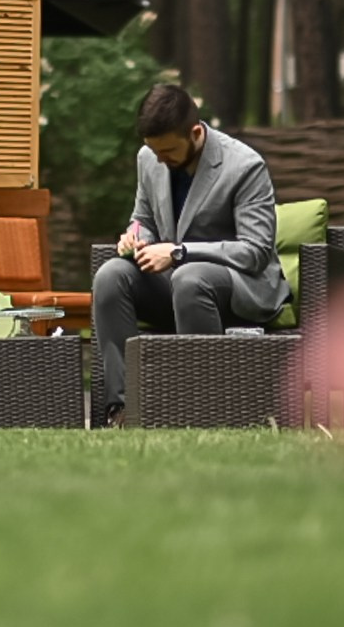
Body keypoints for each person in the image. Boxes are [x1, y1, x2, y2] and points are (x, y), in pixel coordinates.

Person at [91, 82, 289, 427]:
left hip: (239, 287)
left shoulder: (244, 166)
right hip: (177, 287)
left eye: (167, 151)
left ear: (195, 133)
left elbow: (255, 251)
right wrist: (136, 238)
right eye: (153, 151)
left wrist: (179, 252)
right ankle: (124, 411)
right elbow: (144, 219)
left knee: (189, 276)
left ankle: (198, 410)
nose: (159, 160)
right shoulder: (149, 159)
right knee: (110, 276)